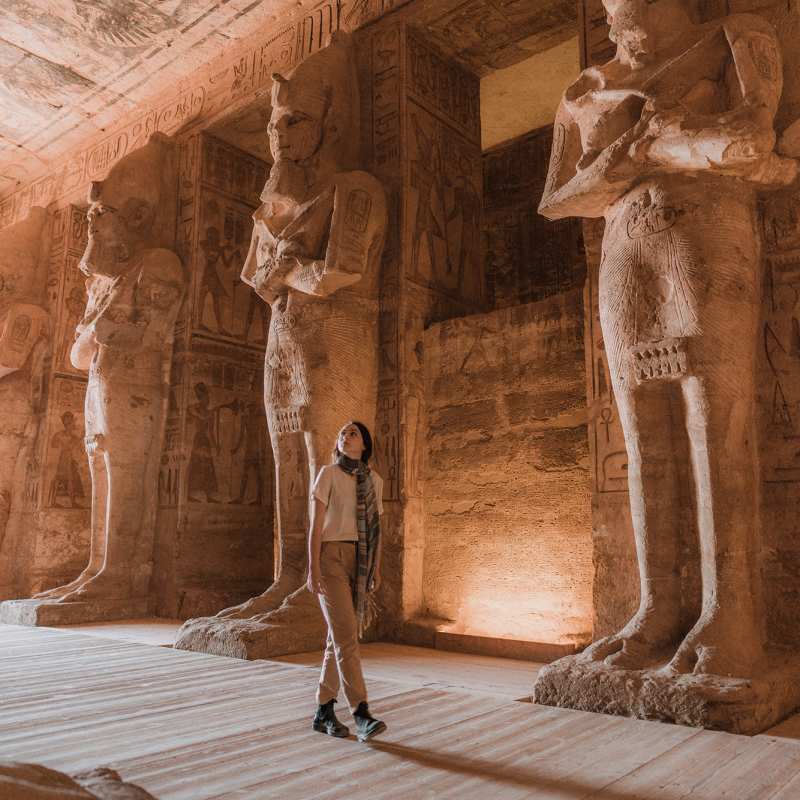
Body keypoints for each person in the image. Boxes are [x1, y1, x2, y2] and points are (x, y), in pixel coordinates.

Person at [306, 420, 386, 742]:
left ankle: (323, 710)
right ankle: (361, 712)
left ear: (364, 444)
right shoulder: (328, 474)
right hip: (331, 559)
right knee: (347, 637)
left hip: (360, 562)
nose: (345, 436)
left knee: (338, 637)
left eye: (353, 433)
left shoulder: (374, 481)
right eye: (342, 433)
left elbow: (377, 530)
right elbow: (315, 526)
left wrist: (376, 569)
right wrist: (312, 568)